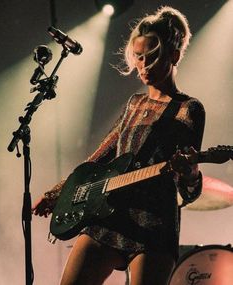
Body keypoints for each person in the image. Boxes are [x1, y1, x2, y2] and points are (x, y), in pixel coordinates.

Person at [32, 6, 205, 285]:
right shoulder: (134, 104)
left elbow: (190, 190)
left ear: (173, 56)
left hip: (154, 225)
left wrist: (190, 173)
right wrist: (58, 193)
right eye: (139, 56)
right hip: (109, 215)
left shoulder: (189, 109)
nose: (143, 64)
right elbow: (99, 157)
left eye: (152, 56)